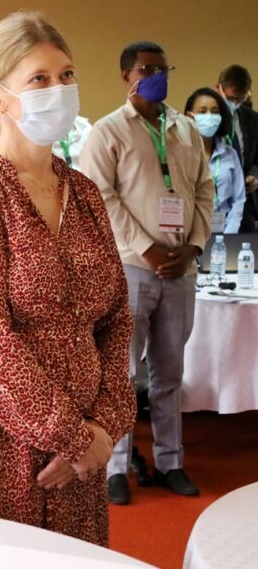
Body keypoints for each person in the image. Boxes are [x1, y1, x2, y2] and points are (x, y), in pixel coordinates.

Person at [0, 11, 135, 546]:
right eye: (39, 79)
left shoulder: (85, 194)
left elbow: (115, 319)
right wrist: (68, 435)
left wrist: (103, 426)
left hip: (86, 440)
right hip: (5, 437)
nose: (60, 90)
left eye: (66, 75)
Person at [80, 41, 213, 505]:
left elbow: (202, 190)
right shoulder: (107, 131)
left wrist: (193, 245)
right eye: (147, 69)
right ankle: (115, 467)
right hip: (131, 270)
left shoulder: (185, 128)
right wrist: (147, 248)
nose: (158, 75)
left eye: (164, 67)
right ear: (125, 76)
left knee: (170, 372)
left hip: (180, 269)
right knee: (121, 373)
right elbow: (100, 198)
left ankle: (171, 461)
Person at [184, 87, 245, 234]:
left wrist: (229, 233)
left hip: (224, 233)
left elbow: (238, 200)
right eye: (203, 111)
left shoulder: (230, 155)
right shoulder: (180, 154)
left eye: (215, 112)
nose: (209, 116)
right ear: (189, 116)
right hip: (187, 235)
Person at [216, 65, 258, 231]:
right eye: (231, 98)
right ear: (218, 88)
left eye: (239, 100)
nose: (234, 103)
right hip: (213, 198)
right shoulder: (206, 118)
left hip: (245, 200)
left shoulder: (252, 119)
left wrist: (254, 175)